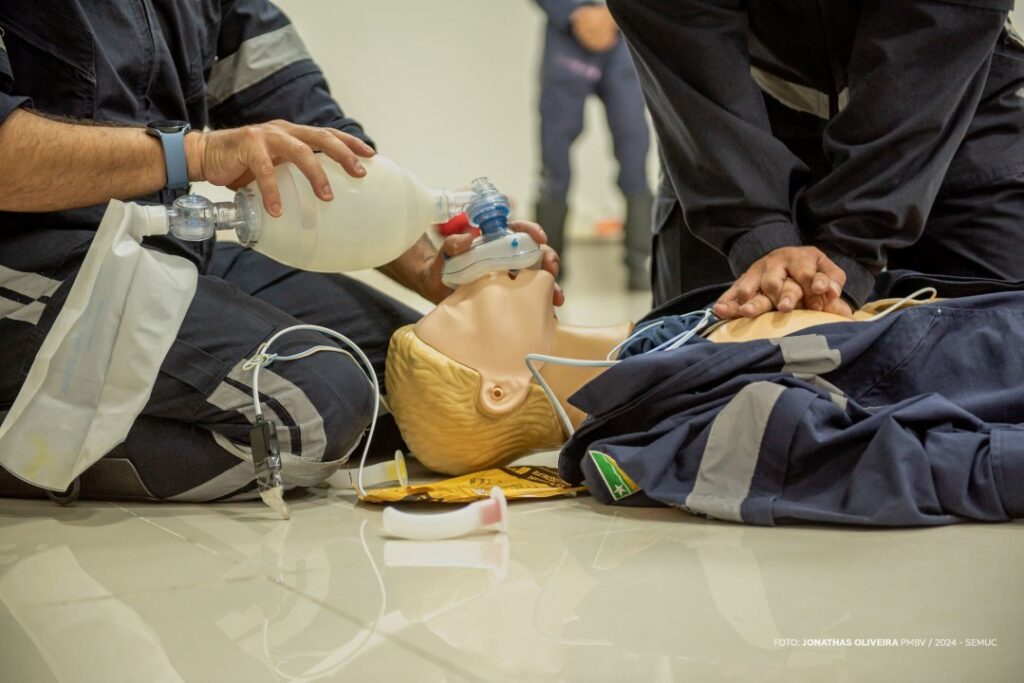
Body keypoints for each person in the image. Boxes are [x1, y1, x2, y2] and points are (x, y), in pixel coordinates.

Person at [0, 0, 559, 502]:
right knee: (316, 410)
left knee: (407, 386)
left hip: (165, 245)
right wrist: (193, 154)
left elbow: (315, 136)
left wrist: (427, 266)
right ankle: (28, 449)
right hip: (30, 253)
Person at [606, 0, 1024, 318]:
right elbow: (678, 22)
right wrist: (760, 235)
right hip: (728, 131)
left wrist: (843, 253)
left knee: (991, 361)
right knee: (699, 382)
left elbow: (937, 24)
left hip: (946, 107)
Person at [533, 0, 653, 290]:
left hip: (622, 35)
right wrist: (575, 14)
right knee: (555, 160)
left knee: (634, 150)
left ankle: (639, 265)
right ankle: (549, 268)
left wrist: (614, 13)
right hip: (567, 33)